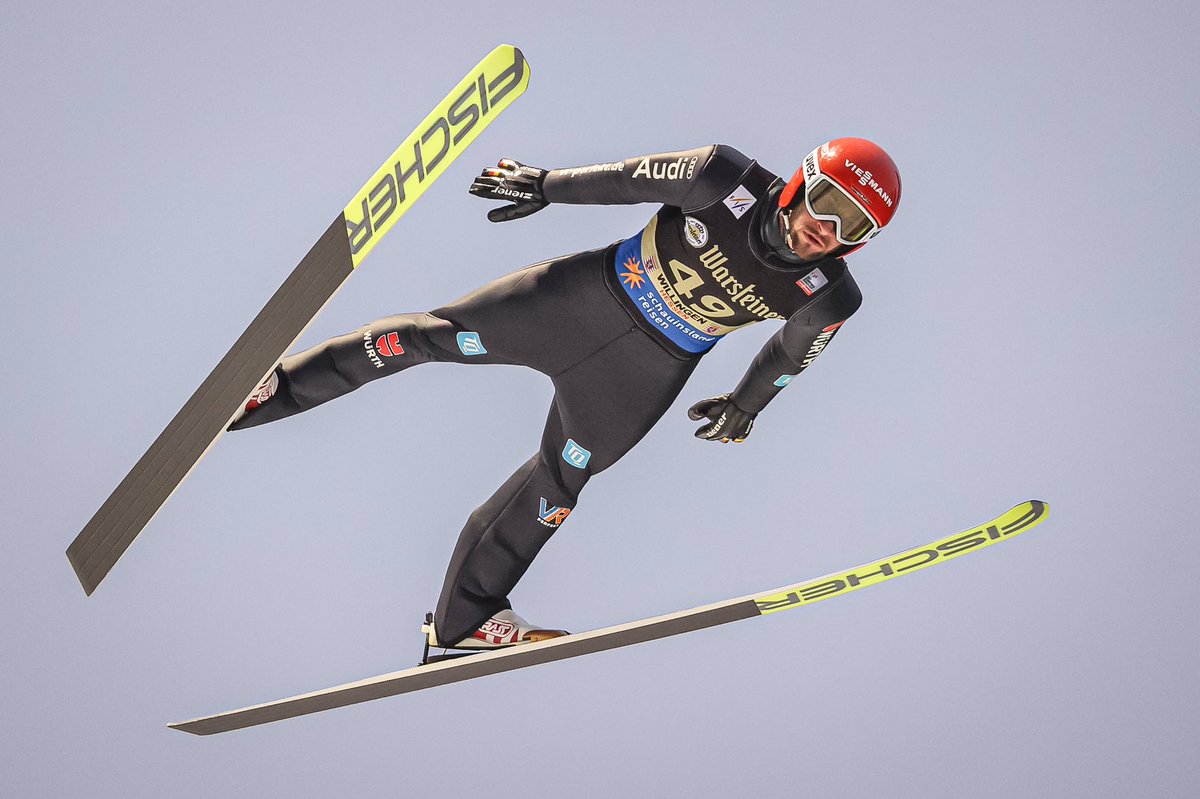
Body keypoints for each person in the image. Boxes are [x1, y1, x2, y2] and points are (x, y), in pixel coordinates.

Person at [229, 138, 902, 651]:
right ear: (799, 186)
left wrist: (744, 407)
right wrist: (547, 186)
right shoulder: (724, 177)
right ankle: (267, 390)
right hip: (574, 302)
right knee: (427, 338)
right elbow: (628, 180)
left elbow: (791, 353)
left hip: (641, 374)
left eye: (854, 228)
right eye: (829, 205)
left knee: (560, 484)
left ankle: (465, 620)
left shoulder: (829, 295)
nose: (830, 230)